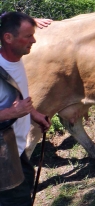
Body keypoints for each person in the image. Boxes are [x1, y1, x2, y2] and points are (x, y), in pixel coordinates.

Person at [0, 12, 51, 206]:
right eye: (28, 36)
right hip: (4, 159)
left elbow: (15, 98)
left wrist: (34, 114)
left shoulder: (15, 59)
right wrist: (12, 113)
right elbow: (13, 108)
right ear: (8, 37)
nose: (34, 40)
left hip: (17, 149)